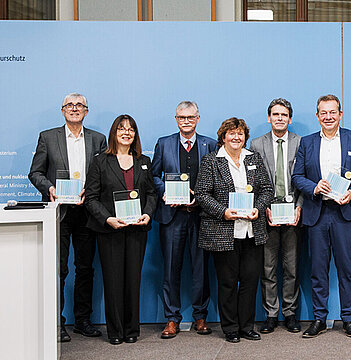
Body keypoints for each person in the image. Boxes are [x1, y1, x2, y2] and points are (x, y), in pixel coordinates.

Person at [28, 93, 106, 342]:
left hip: (87, 211)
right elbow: (35, 172)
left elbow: (104, 174)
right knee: (58, 269)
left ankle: (83, 320)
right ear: (62, 111)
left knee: (85, 268)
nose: (74, 109)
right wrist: (49, 188)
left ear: (86, 111)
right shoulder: (48, 137)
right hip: (58, 212)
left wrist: (91, 192)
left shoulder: (98, 139)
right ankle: (57, 323)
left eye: (79, 105)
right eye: (70, 105)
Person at [292, 94, 351, 338]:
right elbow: (297, 176)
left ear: (340, 114)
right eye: (323, 113)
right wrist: (314, 187)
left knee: (347, 268)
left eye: (332, 112)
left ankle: (348, 318)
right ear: (317, 116)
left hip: (345, 213)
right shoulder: (306, 142)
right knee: (318, 269)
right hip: (317, 213)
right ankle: (319, 318)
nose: (328, 117)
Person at [195, 118, 273, 343]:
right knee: (227, 282)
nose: (236, 137)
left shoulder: (254, 158)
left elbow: (266, 189)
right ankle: (230, 327)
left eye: (240, 134)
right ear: (223, 137)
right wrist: (223, 212)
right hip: (223, 231)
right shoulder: (211, 161)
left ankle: (246, 326)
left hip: (251, 230)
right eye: (231, 133)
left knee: (249, 282)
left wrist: (258, 209)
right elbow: (202, 194)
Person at [83, 114, 156, 345]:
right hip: (110, 230)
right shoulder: (100, 161)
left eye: (131, 129)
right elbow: (91, 198)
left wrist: (148, 213)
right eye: (121, 129)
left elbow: (152, 193)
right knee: (113, 281)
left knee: (133, 279)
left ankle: (131, 329)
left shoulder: (143, 161)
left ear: (135, 134)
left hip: (136, 230)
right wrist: (107, 219)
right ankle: (115, 331)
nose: (127, 133)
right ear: (114, 133)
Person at [151, 101, 216, 339]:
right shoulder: (164, 143)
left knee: (200, 269)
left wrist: (200, 199)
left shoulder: (210, 144)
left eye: (190, 117)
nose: (186, 121)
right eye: (181, 118)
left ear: (198, 118)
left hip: (201, 215)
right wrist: (164, 192)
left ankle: (200, 316)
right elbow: (154, 176)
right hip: (172, 216)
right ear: (175, 119)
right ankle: (172, 318)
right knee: (170, 269)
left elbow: (216, 179)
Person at [249, 98, 304, 334]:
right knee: (268, 268)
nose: (280, 118)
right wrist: (263, 208)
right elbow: (252, 181)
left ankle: (290, 313)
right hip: (267, 214)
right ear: (269, 118)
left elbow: (305, 178)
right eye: (275, 114)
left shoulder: (301, 143)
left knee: (291, 268)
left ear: (289, 119)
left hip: (293, 214)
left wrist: (300, 207)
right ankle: (271, 314)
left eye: (284, 115)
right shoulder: (256, 144)